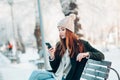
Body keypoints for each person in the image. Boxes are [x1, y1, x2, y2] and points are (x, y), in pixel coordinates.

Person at [29, 14, 105, 80]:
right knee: (35, 73)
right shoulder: (60, 45)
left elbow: (101, 55)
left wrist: (85, 54)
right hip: (56, 75)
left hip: (66, 78)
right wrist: (52, 56)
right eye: (59, 30)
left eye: (63, 29)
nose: (60, 32)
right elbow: (55, 68)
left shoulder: (81, 44)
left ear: (69, 31)